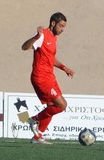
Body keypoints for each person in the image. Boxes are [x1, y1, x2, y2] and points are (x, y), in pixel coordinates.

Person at [21, 13, 74, 144]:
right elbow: (24, 47)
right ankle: (34, 119)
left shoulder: (54, 38)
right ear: (53, 23)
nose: (62, 29)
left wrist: (64, 68)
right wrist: (36, 37)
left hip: (50, 77)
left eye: (64, 27)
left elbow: (51, 58)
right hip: (41, 77)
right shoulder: (42, 35)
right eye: (61, 26)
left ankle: (38, 136)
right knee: (62, 105)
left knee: (51, 106)